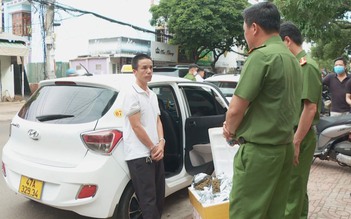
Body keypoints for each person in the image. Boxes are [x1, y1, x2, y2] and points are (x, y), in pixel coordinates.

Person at [222, 2, 303, 219]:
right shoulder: (293, 60)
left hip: (260, 153)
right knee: (274, 212)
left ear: (254, 28)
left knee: (245, 213)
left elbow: (235, 110)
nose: (246, 35)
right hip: (283, 148)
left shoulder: (261, 56)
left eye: (245, 30)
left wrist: (229, 130)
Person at [279, 21, 322, 219]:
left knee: (293, 187)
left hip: (301, 136)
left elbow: (310, 108)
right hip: (294, 133)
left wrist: (296, 141)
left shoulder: (307, 66)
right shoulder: (297, 65)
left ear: (287, 41)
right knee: (297, 185)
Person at [119, 53, 165, 219]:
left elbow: (158, 120)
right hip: (140, 156)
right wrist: (152, 147)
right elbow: (136, 126)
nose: (148, 71)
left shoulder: (151, 94)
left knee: (159, 198)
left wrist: (161, 143)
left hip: (156, 152)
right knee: (148, 202)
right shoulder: (131, 94)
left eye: (151, 67)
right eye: (144, 68)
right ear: (134, 71)